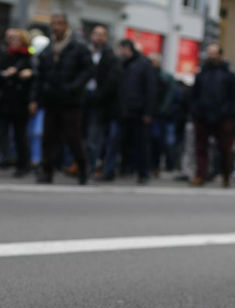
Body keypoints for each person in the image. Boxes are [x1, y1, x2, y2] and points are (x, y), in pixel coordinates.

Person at [31, 13, 92, 185]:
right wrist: (35, 98)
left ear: (66, 25)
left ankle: (82, 169)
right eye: (54, 23)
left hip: (71, 102)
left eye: (59, 23)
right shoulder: (49, 49)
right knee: (48, 138)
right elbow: (40, 76)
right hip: (51, 100)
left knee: (73, 138)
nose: (56, 27)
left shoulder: (77, 48)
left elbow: (87, 71)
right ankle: (47, 172)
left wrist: (73, 87)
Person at [0, 28, 33, 177]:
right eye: (12, 39)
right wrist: (4, 74)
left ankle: (23, 165)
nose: (13, 41)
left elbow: (37, 79)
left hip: (20, 101)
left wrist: (30, 75)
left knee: (20, 136)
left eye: (17, 39)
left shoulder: (29, 58)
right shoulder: (5, 55)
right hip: (4, 100)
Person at [189, 43, 235, 187]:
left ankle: (226, 176)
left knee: (225, 149)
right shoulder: (202, 73)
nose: (211, 56)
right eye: (209, 53)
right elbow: (194, 95)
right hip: (203, 116)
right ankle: (201, 175)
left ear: (220, 55)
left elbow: (234, 98)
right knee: (201, 148)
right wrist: (196, 111)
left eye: (214, 53)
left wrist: (228, 113)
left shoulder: (228, 74)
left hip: (223, 118)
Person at [116, 39, 156, 184]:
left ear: (127, 48)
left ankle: (143, 173)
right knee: (125, 142)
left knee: (141, 144)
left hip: (139, 111)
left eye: (120, 49)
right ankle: (125, 167)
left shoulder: (143, 64)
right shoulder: (124, 64)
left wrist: (148, 112)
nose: (119, 52)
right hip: (126, 110)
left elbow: (151, 89)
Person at [83, 25, 120, 181]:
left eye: (101, 34)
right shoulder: (86, 53)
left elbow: (112, 81)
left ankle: (92, 167)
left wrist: (99, 95)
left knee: (94, 137)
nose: (97, 37)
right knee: (83, 135)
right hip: (83, 99)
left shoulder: (110, 57)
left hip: (100, 103)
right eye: (95, 34)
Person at [149, 52, 176, 175]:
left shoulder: (165, 77)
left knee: (159, 141)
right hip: (150, 113)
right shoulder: (148, 76)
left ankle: (158, 165)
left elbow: (170, 96)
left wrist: (162, 110)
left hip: (160, 116)